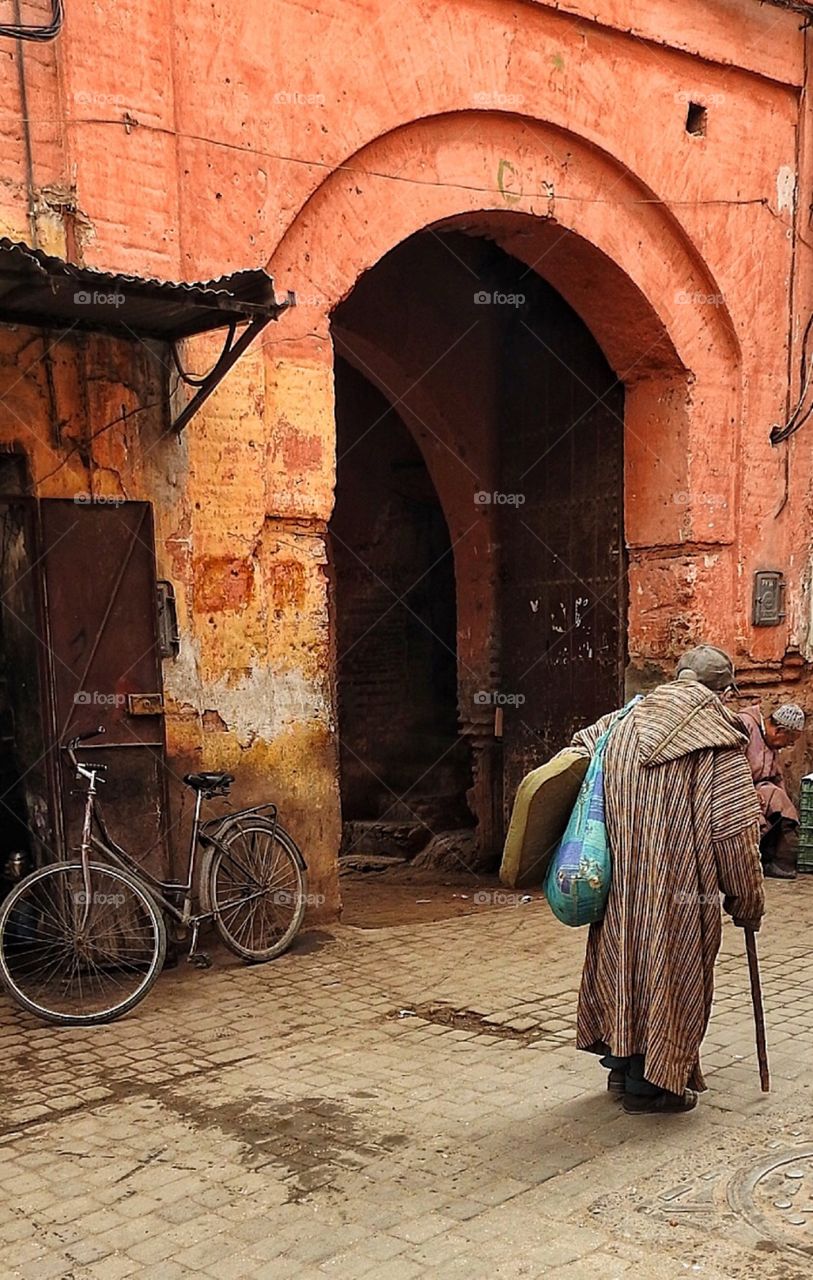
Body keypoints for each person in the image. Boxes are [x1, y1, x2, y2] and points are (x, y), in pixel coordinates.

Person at [570, 644, 764, 1115]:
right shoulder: (721, 739)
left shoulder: (619, 723)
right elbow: (735, 834)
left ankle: (623, 1064)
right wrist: (747, 899)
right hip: (680, 892)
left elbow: (571, 759)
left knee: (622, 962)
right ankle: (654, 1086)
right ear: (724, 692)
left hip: (618, 886)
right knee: (671, 977)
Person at [735, 702, 804, 879]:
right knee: (755, 812)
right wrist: (748, 792)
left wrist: (783, 802)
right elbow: (730, 767)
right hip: (735, 790)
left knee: (780, 801)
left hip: (759, 789)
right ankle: (741, 865)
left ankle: (779, 863)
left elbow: (776, 776)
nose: (786, 746)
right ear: (779, 731)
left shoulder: (771, 744)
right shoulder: (745, 725)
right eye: (788, 742)